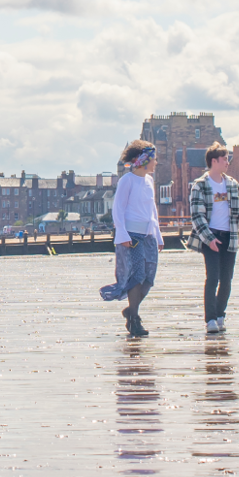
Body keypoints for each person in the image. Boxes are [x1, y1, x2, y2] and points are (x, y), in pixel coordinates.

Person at [189, 142, 239, 334]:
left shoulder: (232, 184)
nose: (227, 163)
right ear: (214, 161)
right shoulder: (200, 185)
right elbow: (197, 216)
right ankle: (210, 319)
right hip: (210, 235)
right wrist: (209, 238)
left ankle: (220, 314)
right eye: (224, 159)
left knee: (227, 279)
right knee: (212, 277)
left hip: (230, 235)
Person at [99, 140, 161, 338]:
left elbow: (153, 211)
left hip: (148, 234)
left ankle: (130, 311)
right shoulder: (127, 180)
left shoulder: (149, 182)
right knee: (137, 275)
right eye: (154, 159)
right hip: (131, 236)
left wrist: (158, 235)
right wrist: (122, 234)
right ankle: (134, 320)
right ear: (143, 160)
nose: (156, 163)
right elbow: (118, 209)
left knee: (149, 277)